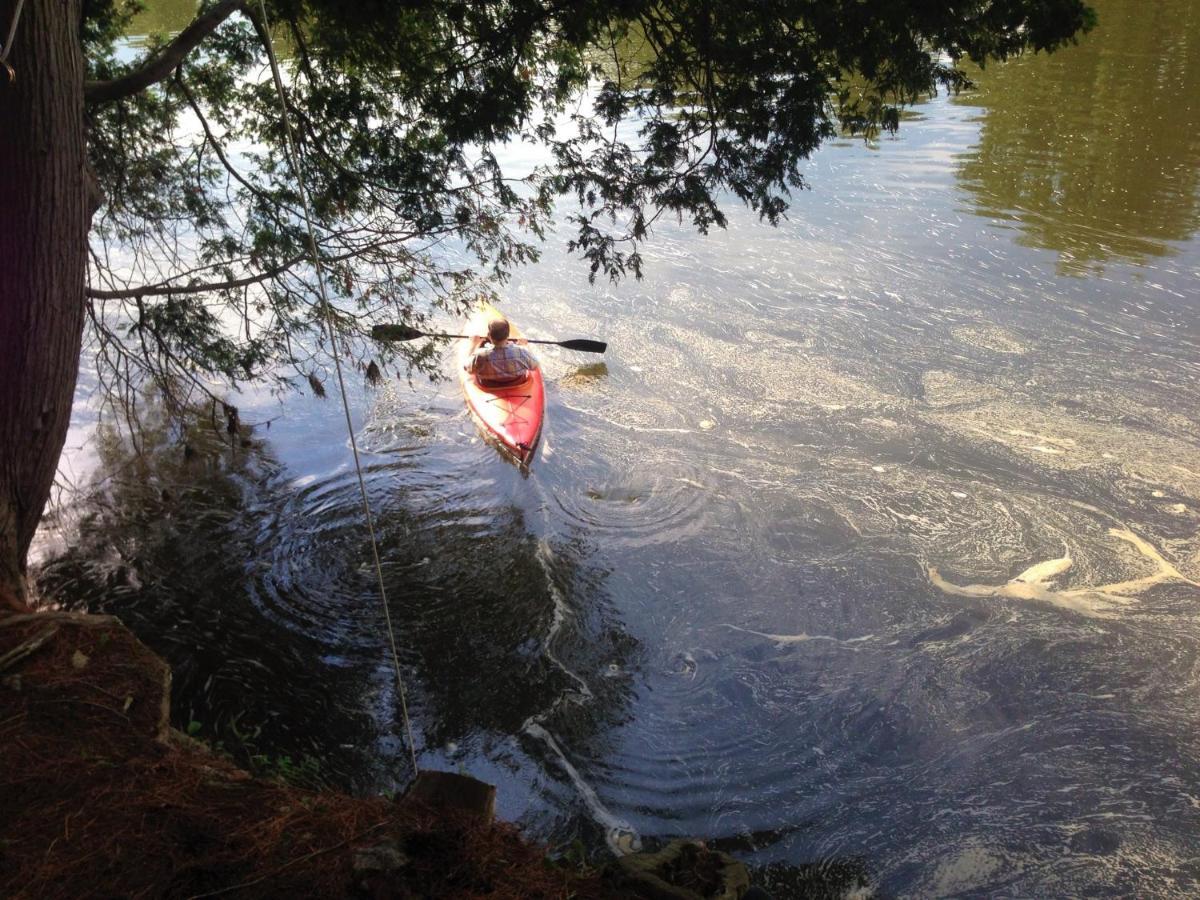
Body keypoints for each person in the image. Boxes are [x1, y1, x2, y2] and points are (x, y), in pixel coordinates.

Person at [466, 316, 538, 386]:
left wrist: (473, 344)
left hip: (490, 386)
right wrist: (524, 346)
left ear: (488, 335)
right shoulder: (521, 352)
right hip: (516, 384)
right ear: (508, 335)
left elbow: (468, 369)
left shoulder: (480, 355)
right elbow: (534, 366)